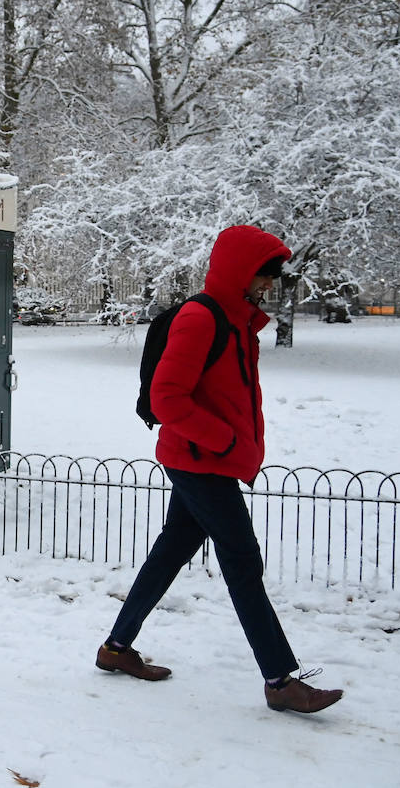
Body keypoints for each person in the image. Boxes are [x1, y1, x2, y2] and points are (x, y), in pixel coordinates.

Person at [95, 224, 344, 714]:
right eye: (263, 274)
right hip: (200, 461)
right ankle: (280, 680)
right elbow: (168, 398)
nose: (269, 284)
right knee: (243, 562)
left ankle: (115, 649)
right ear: (240, 272)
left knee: (171, 552)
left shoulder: (235, 322)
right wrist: (226, 441)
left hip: (206, 460)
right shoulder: (201, 318)